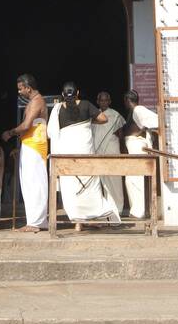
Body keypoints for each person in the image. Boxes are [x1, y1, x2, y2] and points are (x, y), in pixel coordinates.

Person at [48, 82, 120, 226]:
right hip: (84, 152)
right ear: (78, 92)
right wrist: (88, 121)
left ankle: (78, 222)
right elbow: (103, 119)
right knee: (89, 184)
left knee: (71, 185)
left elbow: (50, 133)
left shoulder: (57, 109)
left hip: (66, 154)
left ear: (62, 94)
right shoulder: (86, 105)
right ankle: (95, 216)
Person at [3, 74, 49, 232]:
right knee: (31, 183)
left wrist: (10, 132)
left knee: (34, 183)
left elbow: (26, 125)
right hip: (30, 144)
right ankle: (37, 221)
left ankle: (35, 223)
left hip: (35, 145)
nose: (19, 92)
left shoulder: (37, 101)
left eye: (21, 89)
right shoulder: (33, 101)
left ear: (28, 88)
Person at [120, 90, 159, 220]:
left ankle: (140, 211)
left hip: (137, 146)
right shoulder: (133, 111)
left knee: (136, 179)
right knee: (131, 179)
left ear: (127, 100)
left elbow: (156, 121)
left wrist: (142, 130)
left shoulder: (139, 110)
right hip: (132, 147)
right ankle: (136, 210)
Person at [91, 90, 126, 213]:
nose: (104, 102)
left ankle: (118, 209)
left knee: (115, 179)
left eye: (106, 100)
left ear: (110, 101)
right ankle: (106, 210)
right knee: (101, 182)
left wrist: (122, 152)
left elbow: (121, 135)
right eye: (101, 100)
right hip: (98, 152)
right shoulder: (94, 115)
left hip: (112, 150)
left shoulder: (115, 115)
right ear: (97, 102)